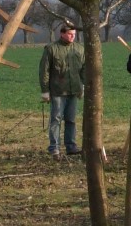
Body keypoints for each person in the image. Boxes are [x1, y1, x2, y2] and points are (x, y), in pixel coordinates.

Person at [39, 23, 86, 160]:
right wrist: (45, 91)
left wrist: (83, 86)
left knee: (71, 120)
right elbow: (44, 71)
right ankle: (54, 148)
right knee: (56, 119)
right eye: (70, 34)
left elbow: (83, 69)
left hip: (74, 90)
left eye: (74, 35)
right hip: (58, 91)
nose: (72, 37)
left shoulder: (79, 49)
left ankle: (71, 146)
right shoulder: (51, 49)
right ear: (62, 34)